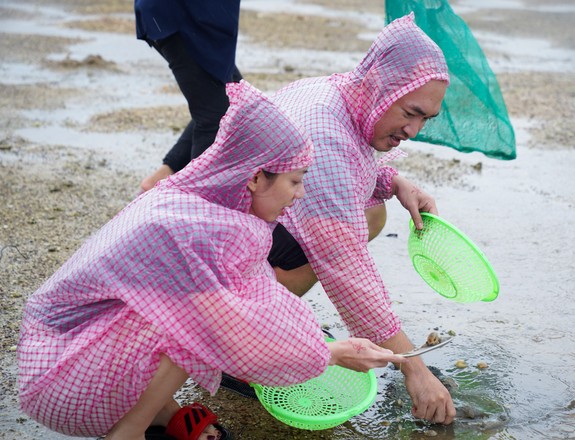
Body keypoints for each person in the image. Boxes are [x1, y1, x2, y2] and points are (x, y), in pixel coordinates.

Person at [17, 81, 405, 440]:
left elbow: (263, 298)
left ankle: (160, 414)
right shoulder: (193, 230)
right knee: (201, 326)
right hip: (60, 380)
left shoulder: (208, 204)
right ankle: (128, 431)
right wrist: (330, 354)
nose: (300, 193)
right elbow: (235, 329)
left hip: (73, 350)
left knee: (199, 316)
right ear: (255, 178)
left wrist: (323, 347)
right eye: (295, 180)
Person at [266, 13, 457, 425]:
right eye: (411, 112)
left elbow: (348, 168)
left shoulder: (341, 92)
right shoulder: (324, 129)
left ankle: (262, 312)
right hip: (212, 258)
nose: (415, 130)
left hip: (247, 223)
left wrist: (394, 181)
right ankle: (244, 342)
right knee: (332, 244)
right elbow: (345, 267)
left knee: (371, 210)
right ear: (380, 88)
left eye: (426, 118)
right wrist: (413, 367)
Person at [134, 0, 243, 193]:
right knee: (215, 117)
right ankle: (194, 206)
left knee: (234, 100)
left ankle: (160, 180)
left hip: (193, 16)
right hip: (186, 16)